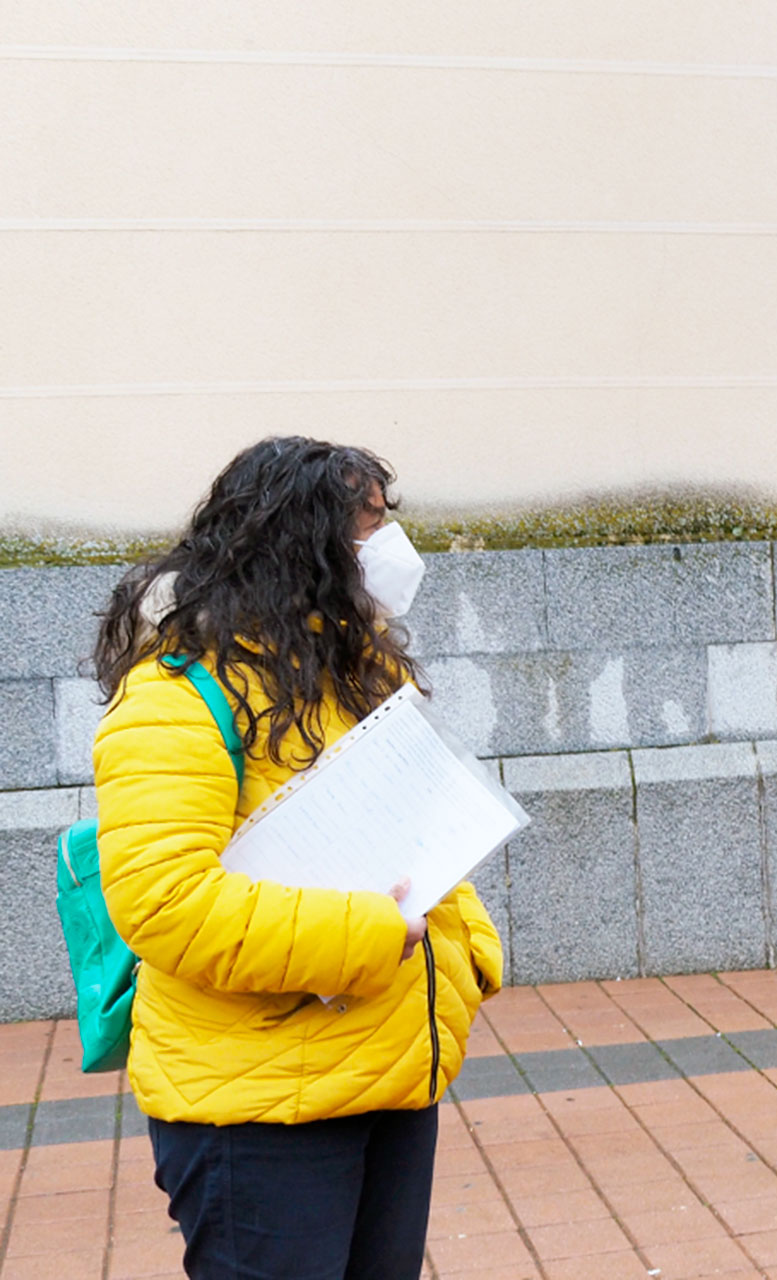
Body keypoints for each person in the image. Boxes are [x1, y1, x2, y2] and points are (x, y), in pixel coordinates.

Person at [91, 437, 503, 1279]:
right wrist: (369, 931)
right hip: (255, 1108)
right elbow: (166, 905)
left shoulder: (353, 674)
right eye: (370, 528)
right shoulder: (174, 697)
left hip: (387, 1070)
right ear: (299, 544)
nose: (391, 548)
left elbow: (410, 838)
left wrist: (468, 950)